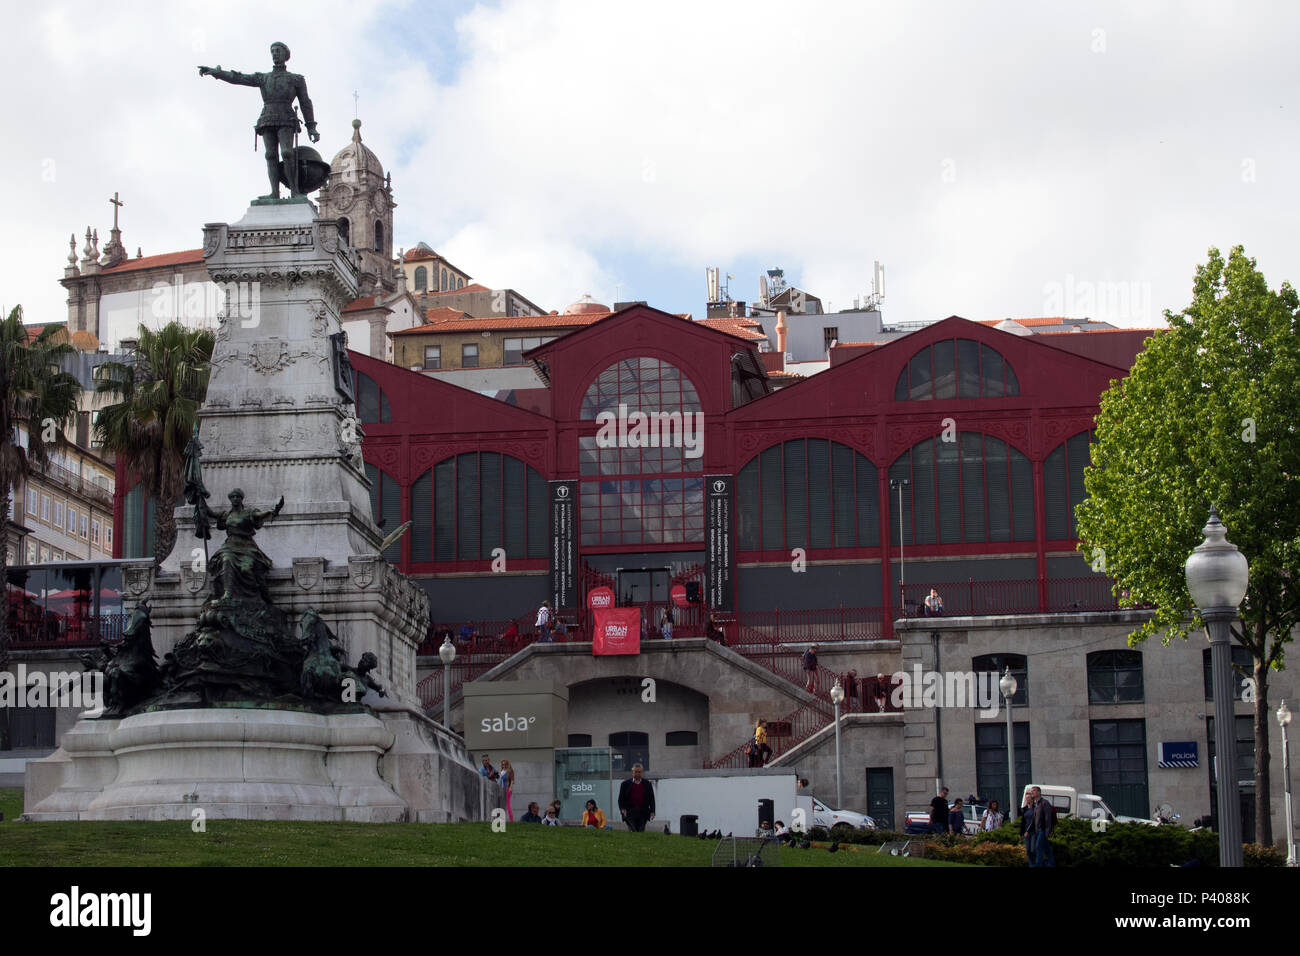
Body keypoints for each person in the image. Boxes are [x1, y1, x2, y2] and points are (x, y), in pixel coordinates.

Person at [198, 42, 321, 200]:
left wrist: (311, 126)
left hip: (286, 117)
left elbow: (305, 102)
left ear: (286, 55)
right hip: (267, 117)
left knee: (287, 153)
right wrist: (217, 73)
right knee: (270, 155)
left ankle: (295, 191)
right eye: (273, 51)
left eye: (278, 51)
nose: (275, 54)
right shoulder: (264, 78)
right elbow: (239, 78)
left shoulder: (295, 79)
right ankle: (274, 193)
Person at [618, 763, 655, 831]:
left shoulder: (647, 784)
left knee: (641, 830)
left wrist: (652, 811)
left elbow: (651, 799)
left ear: (642, 773)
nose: (637, 774)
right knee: (633, 830)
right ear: (632, 772)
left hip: (643, 812)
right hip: (630, 812)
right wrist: (622, 809)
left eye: (639, 772)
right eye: (636, 772)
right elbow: (621, 799)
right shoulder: (625, 784)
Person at [1029, 786, 1057, 867]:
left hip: (1043, 830)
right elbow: (1034, 820)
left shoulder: (1045, 803)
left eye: (1033, 791)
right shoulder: (1036, 804)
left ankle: (1038, 864)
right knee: (1047, 849)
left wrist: (1048, 831)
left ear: (1039, 792)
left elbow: (1048, 818)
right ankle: (1052, 864)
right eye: (1031, 791)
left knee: (1038, 847)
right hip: (1038, 830)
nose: (1032, 793)